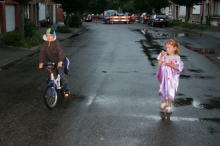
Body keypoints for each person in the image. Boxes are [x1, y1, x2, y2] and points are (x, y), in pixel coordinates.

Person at [39, 28, 71, 96]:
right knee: (50, 74)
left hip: (60, 60)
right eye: (47, 36)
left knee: (62, 76)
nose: (48, 37)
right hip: (51, 61)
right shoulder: (45, 44)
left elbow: (60, 52)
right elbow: (42, 53)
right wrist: (41, 62)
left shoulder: (56, 43)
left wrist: (60, 61)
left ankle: (66, 89)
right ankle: (51, 83)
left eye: (50, 35)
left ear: (54, 36)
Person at [156, 39, 184, 114]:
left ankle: (169, 106)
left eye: (169, 48)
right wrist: (162, 56)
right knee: (163, 89)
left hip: (172, 78)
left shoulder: (177, 58)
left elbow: (179, 68)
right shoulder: (164, 55)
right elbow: (159, 64)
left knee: (171, 91)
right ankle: (163, 102)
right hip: (164, 77)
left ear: (175, 48)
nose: (167, 49)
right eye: (166, 47)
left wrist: (170, 65)